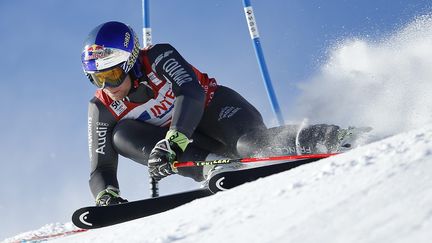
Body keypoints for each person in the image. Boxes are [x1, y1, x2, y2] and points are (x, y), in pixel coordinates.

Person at [81, 21, 362, 206]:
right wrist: (106, 196)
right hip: (194, 149)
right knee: (121, 134)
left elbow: (190, 92)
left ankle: (331, 136)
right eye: (97, 78)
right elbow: (101, 167)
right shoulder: (102, 106)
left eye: (113, 74)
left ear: (131, 61)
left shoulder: (159, 56)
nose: (108, 86)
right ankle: (211, 165)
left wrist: (173, 141)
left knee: (250, 145)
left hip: (216, 112)